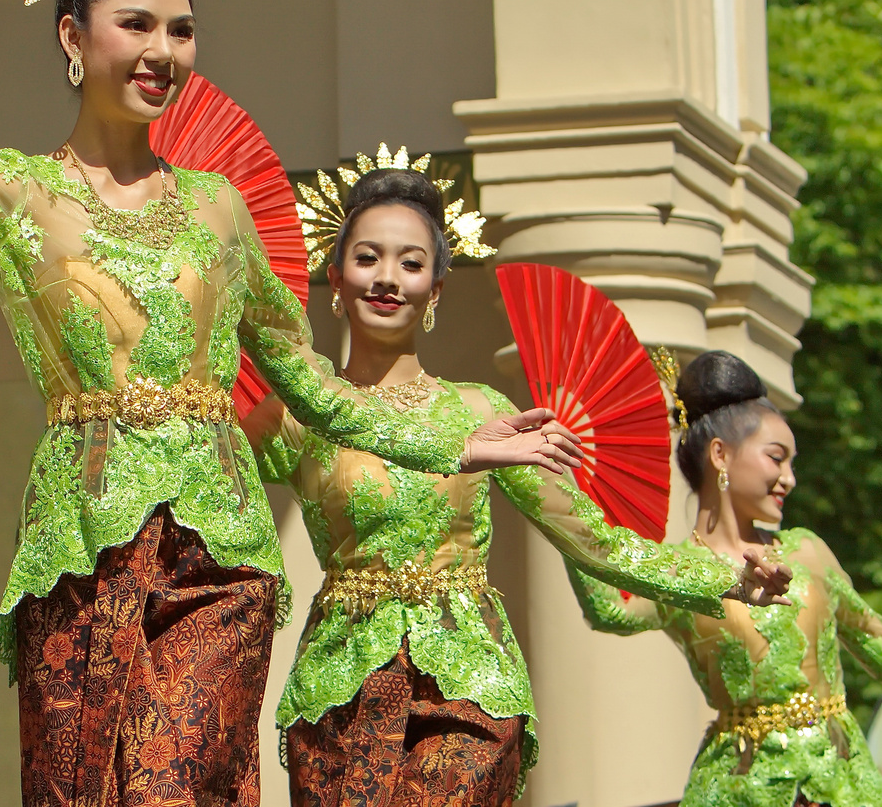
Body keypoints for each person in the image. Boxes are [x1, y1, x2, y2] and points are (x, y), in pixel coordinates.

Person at [0, 0, 585, 806]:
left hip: (219, 557)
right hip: (79, 540)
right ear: (72, 33)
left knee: (181, 789)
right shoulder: (16, 192)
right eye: (135, 24)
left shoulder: (219, 205)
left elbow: (309, 382)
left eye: (181, 31)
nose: (162, 52)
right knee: (78, 791)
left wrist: (455, 443)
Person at [243, 168, 793, 806]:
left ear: (436, 290)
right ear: (335, 280)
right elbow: (213, 487)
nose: (388, 278)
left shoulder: (482, 413)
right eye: (367, 258)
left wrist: (723, 574)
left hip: (469, 685)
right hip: (338, 687)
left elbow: (598, 543)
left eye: (411, 263)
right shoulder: (293, 414)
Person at [567, 350, 882, 807]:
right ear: (720, 456)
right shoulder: (676, 571)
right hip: (738, 790)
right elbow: (611, 610)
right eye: (776, 458)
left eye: (792, 462)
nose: (789, 479)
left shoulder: (807, 550)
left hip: (843, 786)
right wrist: (563, 497)